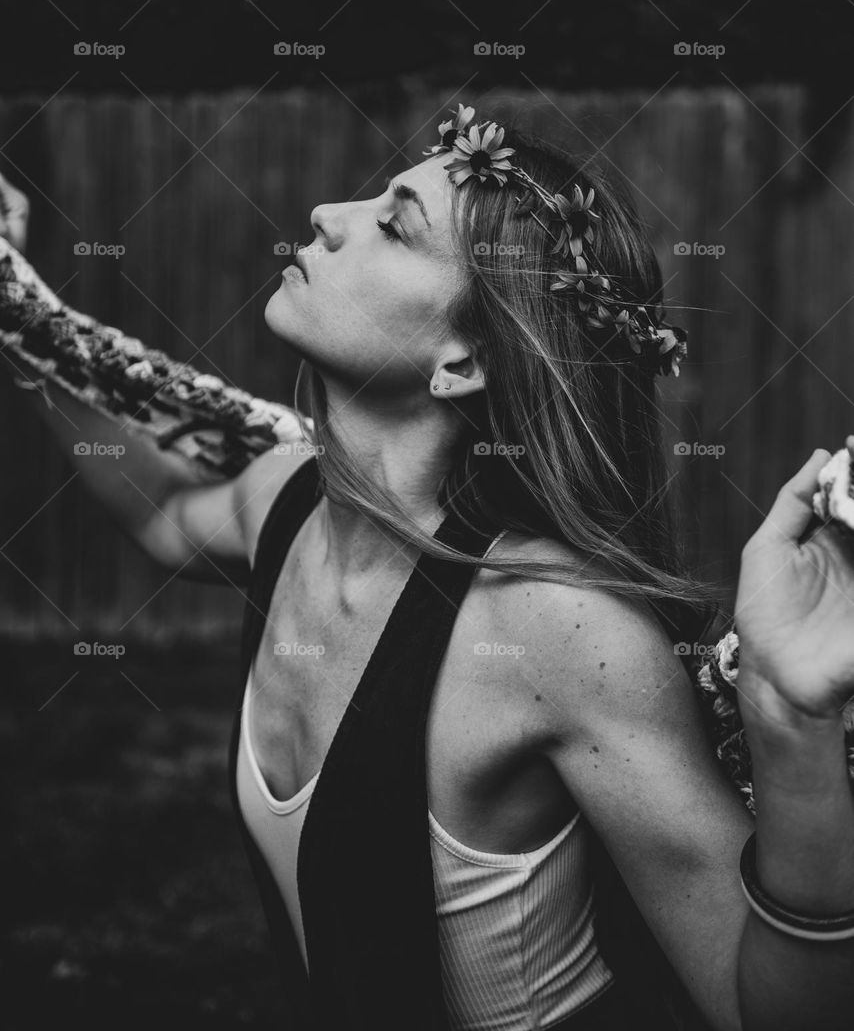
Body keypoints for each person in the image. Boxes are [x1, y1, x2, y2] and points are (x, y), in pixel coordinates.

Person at [3, 102, 854, 1031]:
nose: (329, 213)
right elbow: (162, 508)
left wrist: (792, 719)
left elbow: (761, 1009)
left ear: (463, 360)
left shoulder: (551, 626)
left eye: (393, 225)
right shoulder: (286, 497)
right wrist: (15, 310)